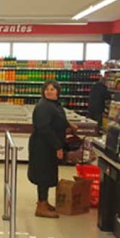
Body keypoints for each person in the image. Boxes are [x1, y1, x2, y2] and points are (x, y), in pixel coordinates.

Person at [27, 80, 71, 219]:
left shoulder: (54, 104)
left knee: (47, 173)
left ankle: (44, 202)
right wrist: (58, 146)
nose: (49, 91)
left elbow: (57, 120)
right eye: (47, 89)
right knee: (43, 174)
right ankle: (41, 206)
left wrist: (69, 125)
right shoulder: (43, 106)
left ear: (58, 91)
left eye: (52, 89)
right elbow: (44, 128)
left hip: (48, 145)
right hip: (42, 146)